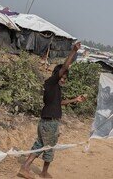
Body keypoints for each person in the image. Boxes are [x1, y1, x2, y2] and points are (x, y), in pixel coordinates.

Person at [18, 42, 86, 179]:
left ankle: (32, 169)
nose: (63, 80)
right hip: (50, 123)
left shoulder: (55, 88)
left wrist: (75, 99)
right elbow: (64, 67)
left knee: (40, 145)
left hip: (46, 121)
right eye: (62, 77)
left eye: (65, 79)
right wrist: (73, 51)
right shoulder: (51, 82)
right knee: (48, 148)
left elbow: (59, 103)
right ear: (57, 75)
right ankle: (35, 170)